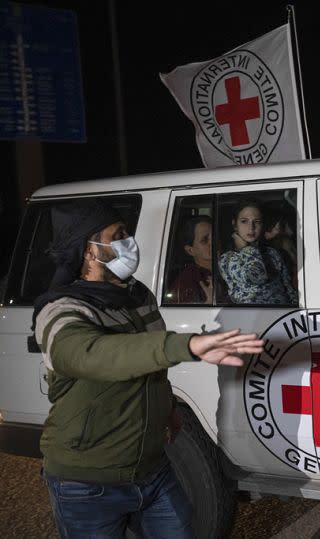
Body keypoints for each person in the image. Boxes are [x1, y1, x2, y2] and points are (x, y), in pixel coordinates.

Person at [31, 200, 264, 538]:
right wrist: (185, 345)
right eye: (118, 235)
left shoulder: (137, 295)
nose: (130, 241)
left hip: (153, 470)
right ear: (88, 251)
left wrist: (167, 410)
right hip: (87, 484)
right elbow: (89, 354)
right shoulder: (61, 309)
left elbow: (149, 367)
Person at [218, 198, 297, 305]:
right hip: (253, 317)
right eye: (244, 221)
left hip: (283, 317)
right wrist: (245, 249)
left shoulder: (272, 253)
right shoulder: (227, 259)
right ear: (235, 225)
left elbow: (288, 288)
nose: (251, 228)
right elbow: (257, 276)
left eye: (257, 222)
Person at [169, 215, 214, 303]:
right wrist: (209, 303)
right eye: (205, 240)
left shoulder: (231, 265)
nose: (213, 242)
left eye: (215, 236)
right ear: (190, 250)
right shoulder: (185, 283)